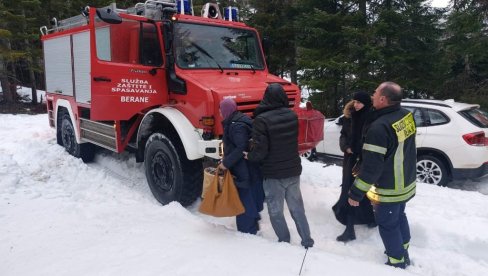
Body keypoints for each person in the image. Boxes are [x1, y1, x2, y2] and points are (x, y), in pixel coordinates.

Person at [348, 82, 416, 268]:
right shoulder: (406, 115)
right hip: (406, 181)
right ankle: (403, 249)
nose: (372, 95)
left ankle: (396, 262)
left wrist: (356, 193)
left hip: (389, 188)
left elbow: (372, 166)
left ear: (383, 99)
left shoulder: (379, 127)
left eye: (375, 93)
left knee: (388, 224)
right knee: (399, 216)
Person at [244, 83, 314, 248]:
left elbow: (260, 151)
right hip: (293, 170)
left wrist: (249, 155)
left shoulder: (261, 120)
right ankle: (307, 241)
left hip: (273, 174)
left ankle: (284, 242)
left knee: (276, 212)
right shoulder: (292, 116)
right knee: (297, 209)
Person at [332, 92, 375, 242]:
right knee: (350, 191)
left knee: (359, 192)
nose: (356, 105)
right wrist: (346, 147)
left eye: (359, 102)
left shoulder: (372, 119)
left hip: (363, 161)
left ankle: (369, 218)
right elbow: (343, 135)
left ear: (366, 103)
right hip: (350, 160)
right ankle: (350, 228)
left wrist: (361, 151)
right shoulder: (349, 117)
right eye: (355, 101)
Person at [218, 98, 264, 234]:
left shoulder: (236, 125)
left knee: (244, 199)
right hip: (249, 167)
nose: (220, 112)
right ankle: (252, 224)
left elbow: (241, 147)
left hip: (244, 169)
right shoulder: (239, 120)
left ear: (226, 110)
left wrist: (225, 163)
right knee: (249, 197)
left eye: (221, 109)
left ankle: (247, 233)